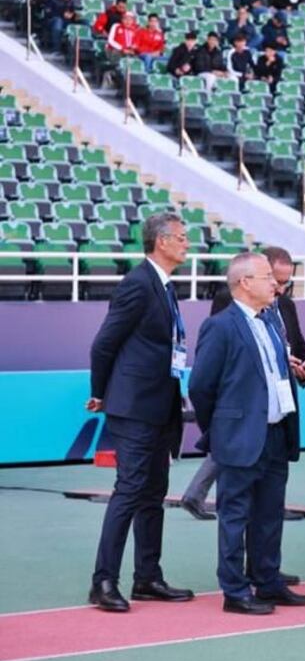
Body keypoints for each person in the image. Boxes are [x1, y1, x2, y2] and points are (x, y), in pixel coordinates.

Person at [188, 253, 305, 615]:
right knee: (235, 514)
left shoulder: (270, 322)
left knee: (270, 513)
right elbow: (202, 386)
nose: (275, 284)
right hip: (240, 435)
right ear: (244, 282)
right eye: (266, 278)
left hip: (275, 432)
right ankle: (235, 590)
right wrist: (222, 426)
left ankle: (268, 580)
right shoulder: (222, 326)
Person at [86, 211, 195, 612]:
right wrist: (100, 393)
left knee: (152, 494)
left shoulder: (165, 287)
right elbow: (103, 344)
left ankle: (147, 577)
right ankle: (103, 581)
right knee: (129, 490)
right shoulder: (137, 284)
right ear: (161, 241)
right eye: (181, 238)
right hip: (134, 407)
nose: (187, 243)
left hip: (160, 404)